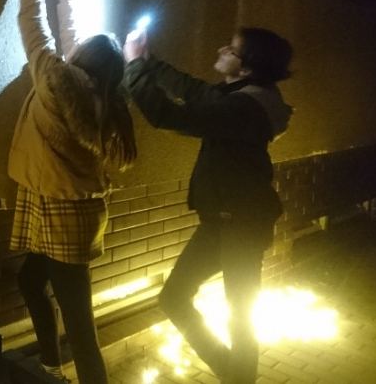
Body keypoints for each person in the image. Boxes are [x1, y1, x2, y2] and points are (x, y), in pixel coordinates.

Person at [122, 27, 293, 383]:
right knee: (175, 298)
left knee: (240, 319)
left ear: (245, 68)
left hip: (242, 226)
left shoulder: (244, 107)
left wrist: (134, 67)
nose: (221, 49)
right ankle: (232, 375)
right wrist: (149, 62)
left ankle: (236, 377)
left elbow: (168, 116)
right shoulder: (245, 95)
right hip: (221, 221)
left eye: (231, 49)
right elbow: (196, 91)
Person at [8, 0, 137, 384]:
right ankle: (50, 366)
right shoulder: (105, 98)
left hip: (59, 209)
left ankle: (73, 374)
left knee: (81, 325)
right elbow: (69, 29)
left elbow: (33, 21)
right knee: (30, 281)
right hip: (72, 206)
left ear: (83, 60)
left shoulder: (54, 82)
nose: (74, 45)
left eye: (80, 48)